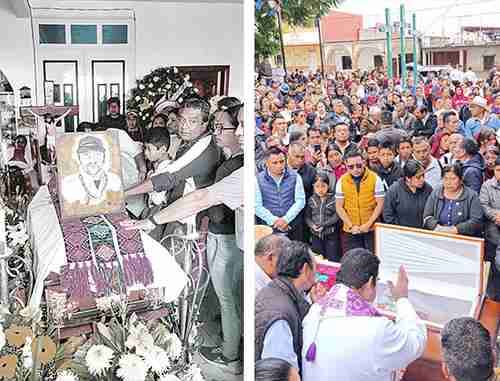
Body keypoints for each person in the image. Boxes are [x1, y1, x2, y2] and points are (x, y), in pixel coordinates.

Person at [302, 249, 427, 381]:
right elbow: (415, 342)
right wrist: (402, 299)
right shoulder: (377, 329)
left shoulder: (315, 309)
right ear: (369, 282)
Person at [124, 97, 222, 234]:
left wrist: (124, 193)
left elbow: (166, 178)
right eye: (182, 119)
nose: (184, 126)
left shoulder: (203, 146)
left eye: (192, 121)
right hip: (177, 214)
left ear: (204, 124)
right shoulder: (190, 141)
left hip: (187, 222)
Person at [255, 241, 317, 373]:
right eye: (315, 267)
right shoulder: (279, 316)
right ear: (305, 269)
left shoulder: (276, 289)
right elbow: (280, 373)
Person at [336, 150, 385, 252]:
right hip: (350, 230)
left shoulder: (375, 179)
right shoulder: (341, 181)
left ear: (364, 162)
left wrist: (368, 224)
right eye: (351, 167)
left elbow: (380, 204)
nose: (355, 169)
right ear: (345, 165)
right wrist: (351, 226)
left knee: (372, 260)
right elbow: (339, 207)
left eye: (358, 165)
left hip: (371, 229)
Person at [255, 148, 306, 241]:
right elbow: (256, 206)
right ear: (267, 163)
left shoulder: (295, 176)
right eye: (275, 163)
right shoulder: (258, 180)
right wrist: (275, 221)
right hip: (270, 228)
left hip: (293, 226)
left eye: (282, 161)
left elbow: (300, 201)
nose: (279, 165)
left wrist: (286, 220)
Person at [423, 162, 483, 236]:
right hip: (439, 235)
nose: (448, 182)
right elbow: (427, 216)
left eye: (453, 179)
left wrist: (456, 229)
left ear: (461, 180)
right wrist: (437, 227)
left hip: (464, 239)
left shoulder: (472, 196)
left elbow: (476, 221)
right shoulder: (436, 193)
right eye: (445, 178)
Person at [61, 135, 122, 206]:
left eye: (97, 155)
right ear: (79, 158)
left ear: (104, 156)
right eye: (86, 155)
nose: (93, 160)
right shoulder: (69, 184)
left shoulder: (115, 180)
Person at [383, 160, 433, 228]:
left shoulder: (428, 189)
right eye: (418, 177)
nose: (422, 179)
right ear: (408, 178)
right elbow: (388, 215)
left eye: (423, 175)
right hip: (401, 234)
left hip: (422, 233)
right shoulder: (394, 190)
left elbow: (432, 212)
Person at [305, 172, 341, 262]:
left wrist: (323, 224)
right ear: (313, 187)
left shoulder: (334, 199)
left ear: (328, 186)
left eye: (323, 186)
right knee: (318, 259)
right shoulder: (311, 200)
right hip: (315, 235)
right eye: (317, 186)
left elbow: (337, 216)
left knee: (332, 259)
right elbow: (307, 217)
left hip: (330, 235)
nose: (320, 189)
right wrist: (312, 226)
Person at [480, 157, 500, 270]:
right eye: (498, 170)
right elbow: (483, 205)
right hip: (493, 225)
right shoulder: (487, 186)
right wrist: (495, 216)